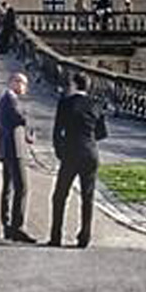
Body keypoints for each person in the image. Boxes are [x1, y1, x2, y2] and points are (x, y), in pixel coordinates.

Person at [49, 72, 108, 248]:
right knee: (87, 197)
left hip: (70, 153)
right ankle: (84, 237)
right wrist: (88, 140)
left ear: (74, 85)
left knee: (60, 195)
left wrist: (60, 151)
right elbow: (102, 133)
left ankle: (56, 236)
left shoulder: (65, 104)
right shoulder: (96, 104)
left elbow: (57, 131)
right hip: (90, 153)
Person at [0, 72, 36, 243]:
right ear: (14, 82)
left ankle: (8, 225)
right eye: (22, 83)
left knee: (8, 188)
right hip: (13, 149)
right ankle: (16, 226)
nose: (24, 87)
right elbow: (20, 118)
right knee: (21, 187)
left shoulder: (7, 99)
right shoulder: (10, 100)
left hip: (9, 148)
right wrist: (29, 124)